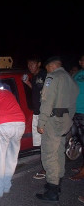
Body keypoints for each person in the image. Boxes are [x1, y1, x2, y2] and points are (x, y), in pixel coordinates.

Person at [36, 56, 79, 203]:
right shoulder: (70, 79)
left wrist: (41, 122)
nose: (46, 70)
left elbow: (47, 102)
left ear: (51, 66)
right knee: (59, 152)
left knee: (49, 154)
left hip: (53, 122)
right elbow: (73, 104)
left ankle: (52, 190)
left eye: (47, 68)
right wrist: (69, 119)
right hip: (65, 120)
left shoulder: (53, 77)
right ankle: (57, 183)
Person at [22, 56, 47, 179]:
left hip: (44, 113)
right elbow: (36, 90)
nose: (30, 67)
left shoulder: (44, 75)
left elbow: (47, 93)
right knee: (42, 143)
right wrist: (28, 83)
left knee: (46, 142)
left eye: (32, 64)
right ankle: (46, 167)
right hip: (37, 112)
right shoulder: (35, 77)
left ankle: (47, 169)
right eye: (29, 64)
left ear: (39, 63)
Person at [69, 54, 84, 181]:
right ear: (80, 61)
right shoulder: (77, 74)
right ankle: (82, 167)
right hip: (75, 113)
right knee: (79, 140)